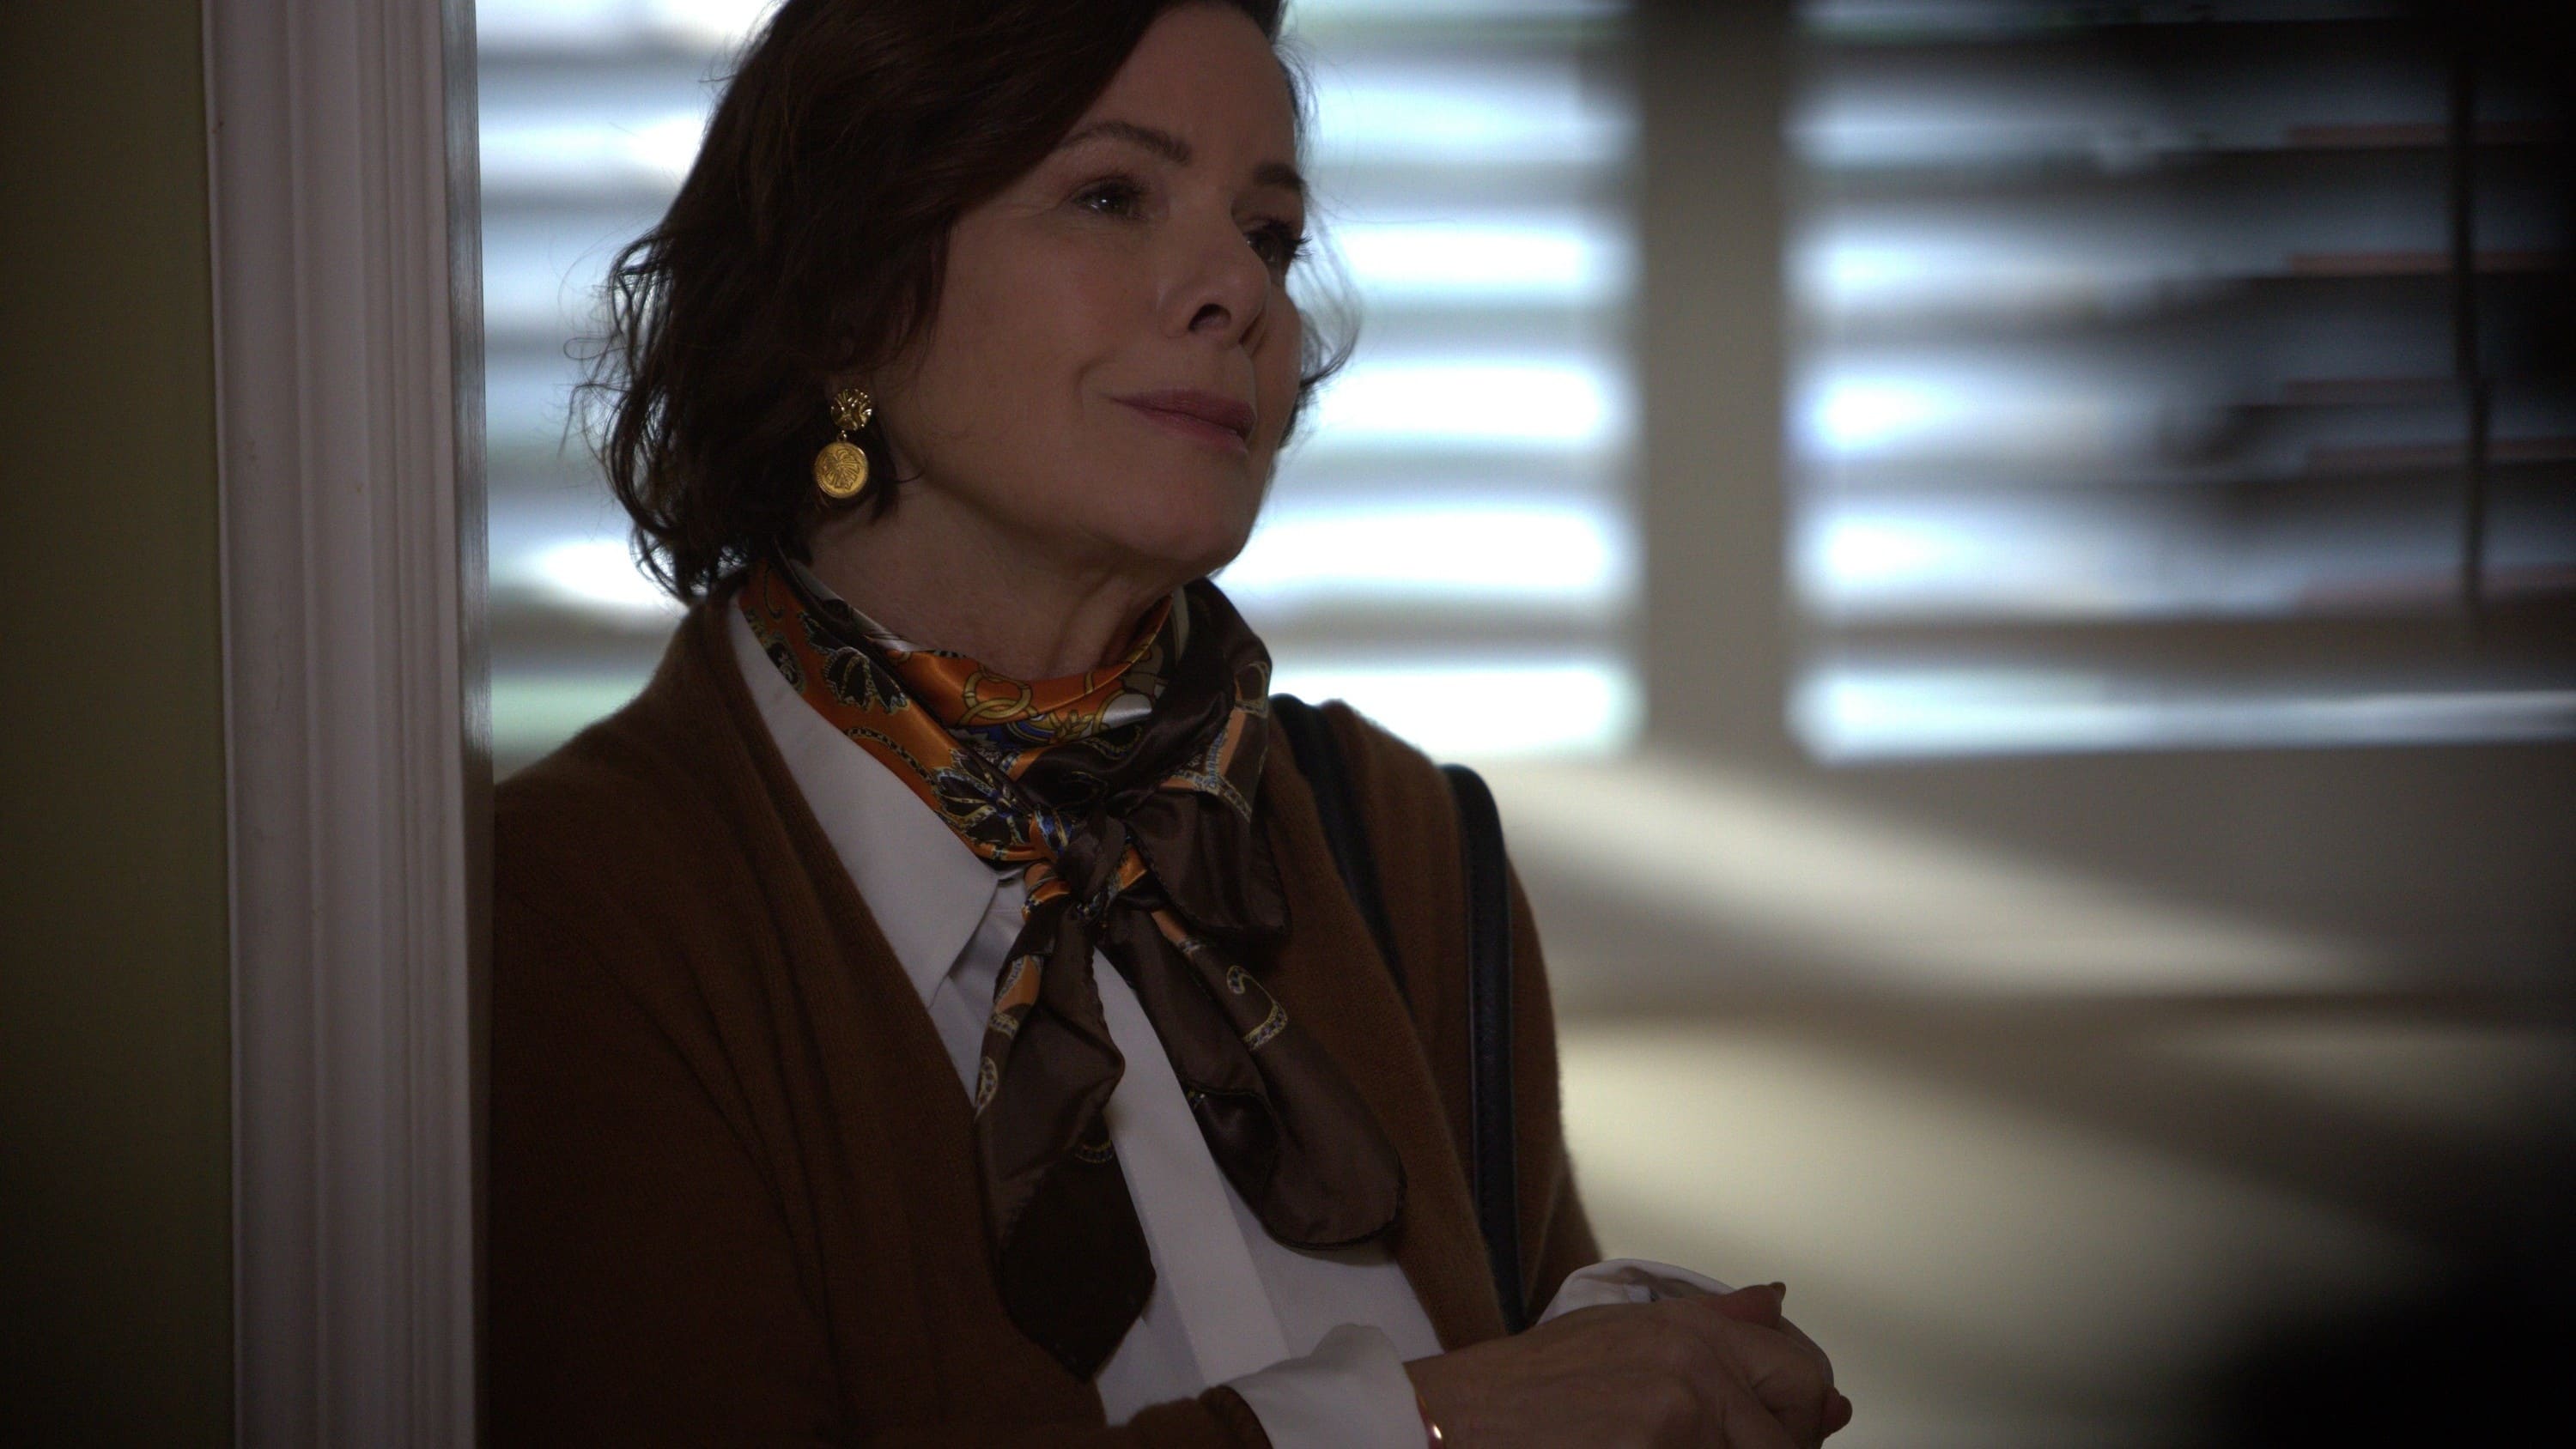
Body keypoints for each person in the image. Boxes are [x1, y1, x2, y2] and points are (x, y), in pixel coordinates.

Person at [488, 2, 1850, 1445]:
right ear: (844, 295)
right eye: (1111, 196)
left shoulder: (1401, 836)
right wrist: (1418, 1429)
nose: (1236, 292)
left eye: (1269, 234)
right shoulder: (575, 908)